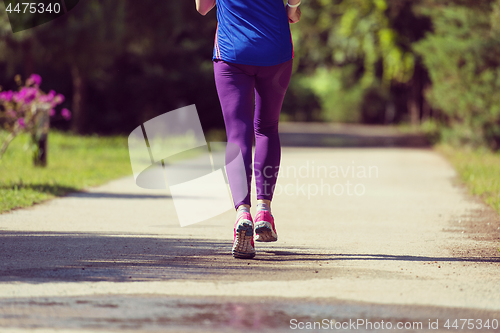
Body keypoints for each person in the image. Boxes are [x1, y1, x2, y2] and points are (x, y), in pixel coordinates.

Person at [195, 0, 301, 259]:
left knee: (237, 134)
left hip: (232, 53)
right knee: (267, 129)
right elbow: (294, 13)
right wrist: (291, 7)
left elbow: (202, 7)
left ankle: (242, 214)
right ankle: (263, 210)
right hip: (275, 53)